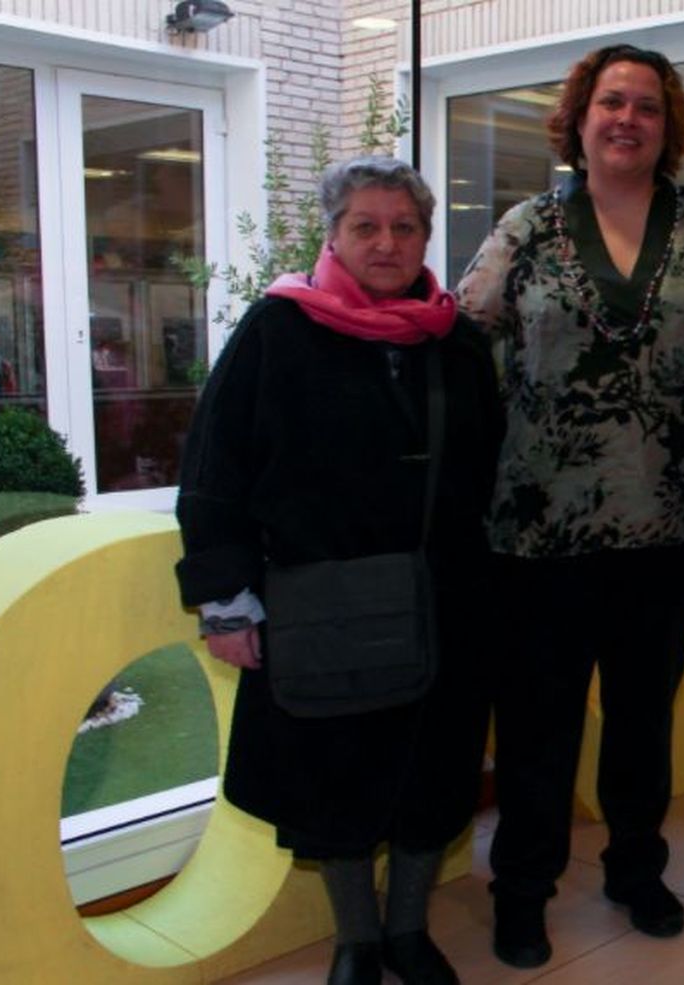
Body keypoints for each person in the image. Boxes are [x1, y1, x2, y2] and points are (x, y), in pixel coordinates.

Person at [455, 44, 684, 969]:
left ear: (669, 128)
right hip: (538, 534)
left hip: (667, 532)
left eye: (648, 108)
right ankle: (523, 888)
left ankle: (636, 867)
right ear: (579, 117)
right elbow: (460, 347)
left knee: (641, 721)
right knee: (537, 723)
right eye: (611, 102)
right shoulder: (526, 228)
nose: (628, 119)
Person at [174, 156, 503, 985]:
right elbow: (216, 469)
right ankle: (356, 940)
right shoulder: (276, 331)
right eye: (366, 225)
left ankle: (407, 930)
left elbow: (490, 469)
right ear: (333, 234)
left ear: (427, 237)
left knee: (434, 774)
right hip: (320, 606)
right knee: (337, 781)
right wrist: (226, 604)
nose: (386, 242)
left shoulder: (456, 341)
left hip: (446, 601)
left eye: (403, 226)